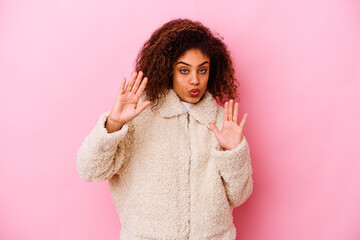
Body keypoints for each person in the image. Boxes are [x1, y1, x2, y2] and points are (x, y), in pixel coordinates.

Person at [77, 18, 253, 240]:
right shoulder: (140, 114)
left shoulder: (221, 121)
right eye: (184, 70)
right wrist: (113, 124)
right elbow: (89, 170)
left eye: (202, 70)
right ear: (168, 69)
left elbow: (239, 195)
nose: (195, 80)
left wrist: (234, 153)